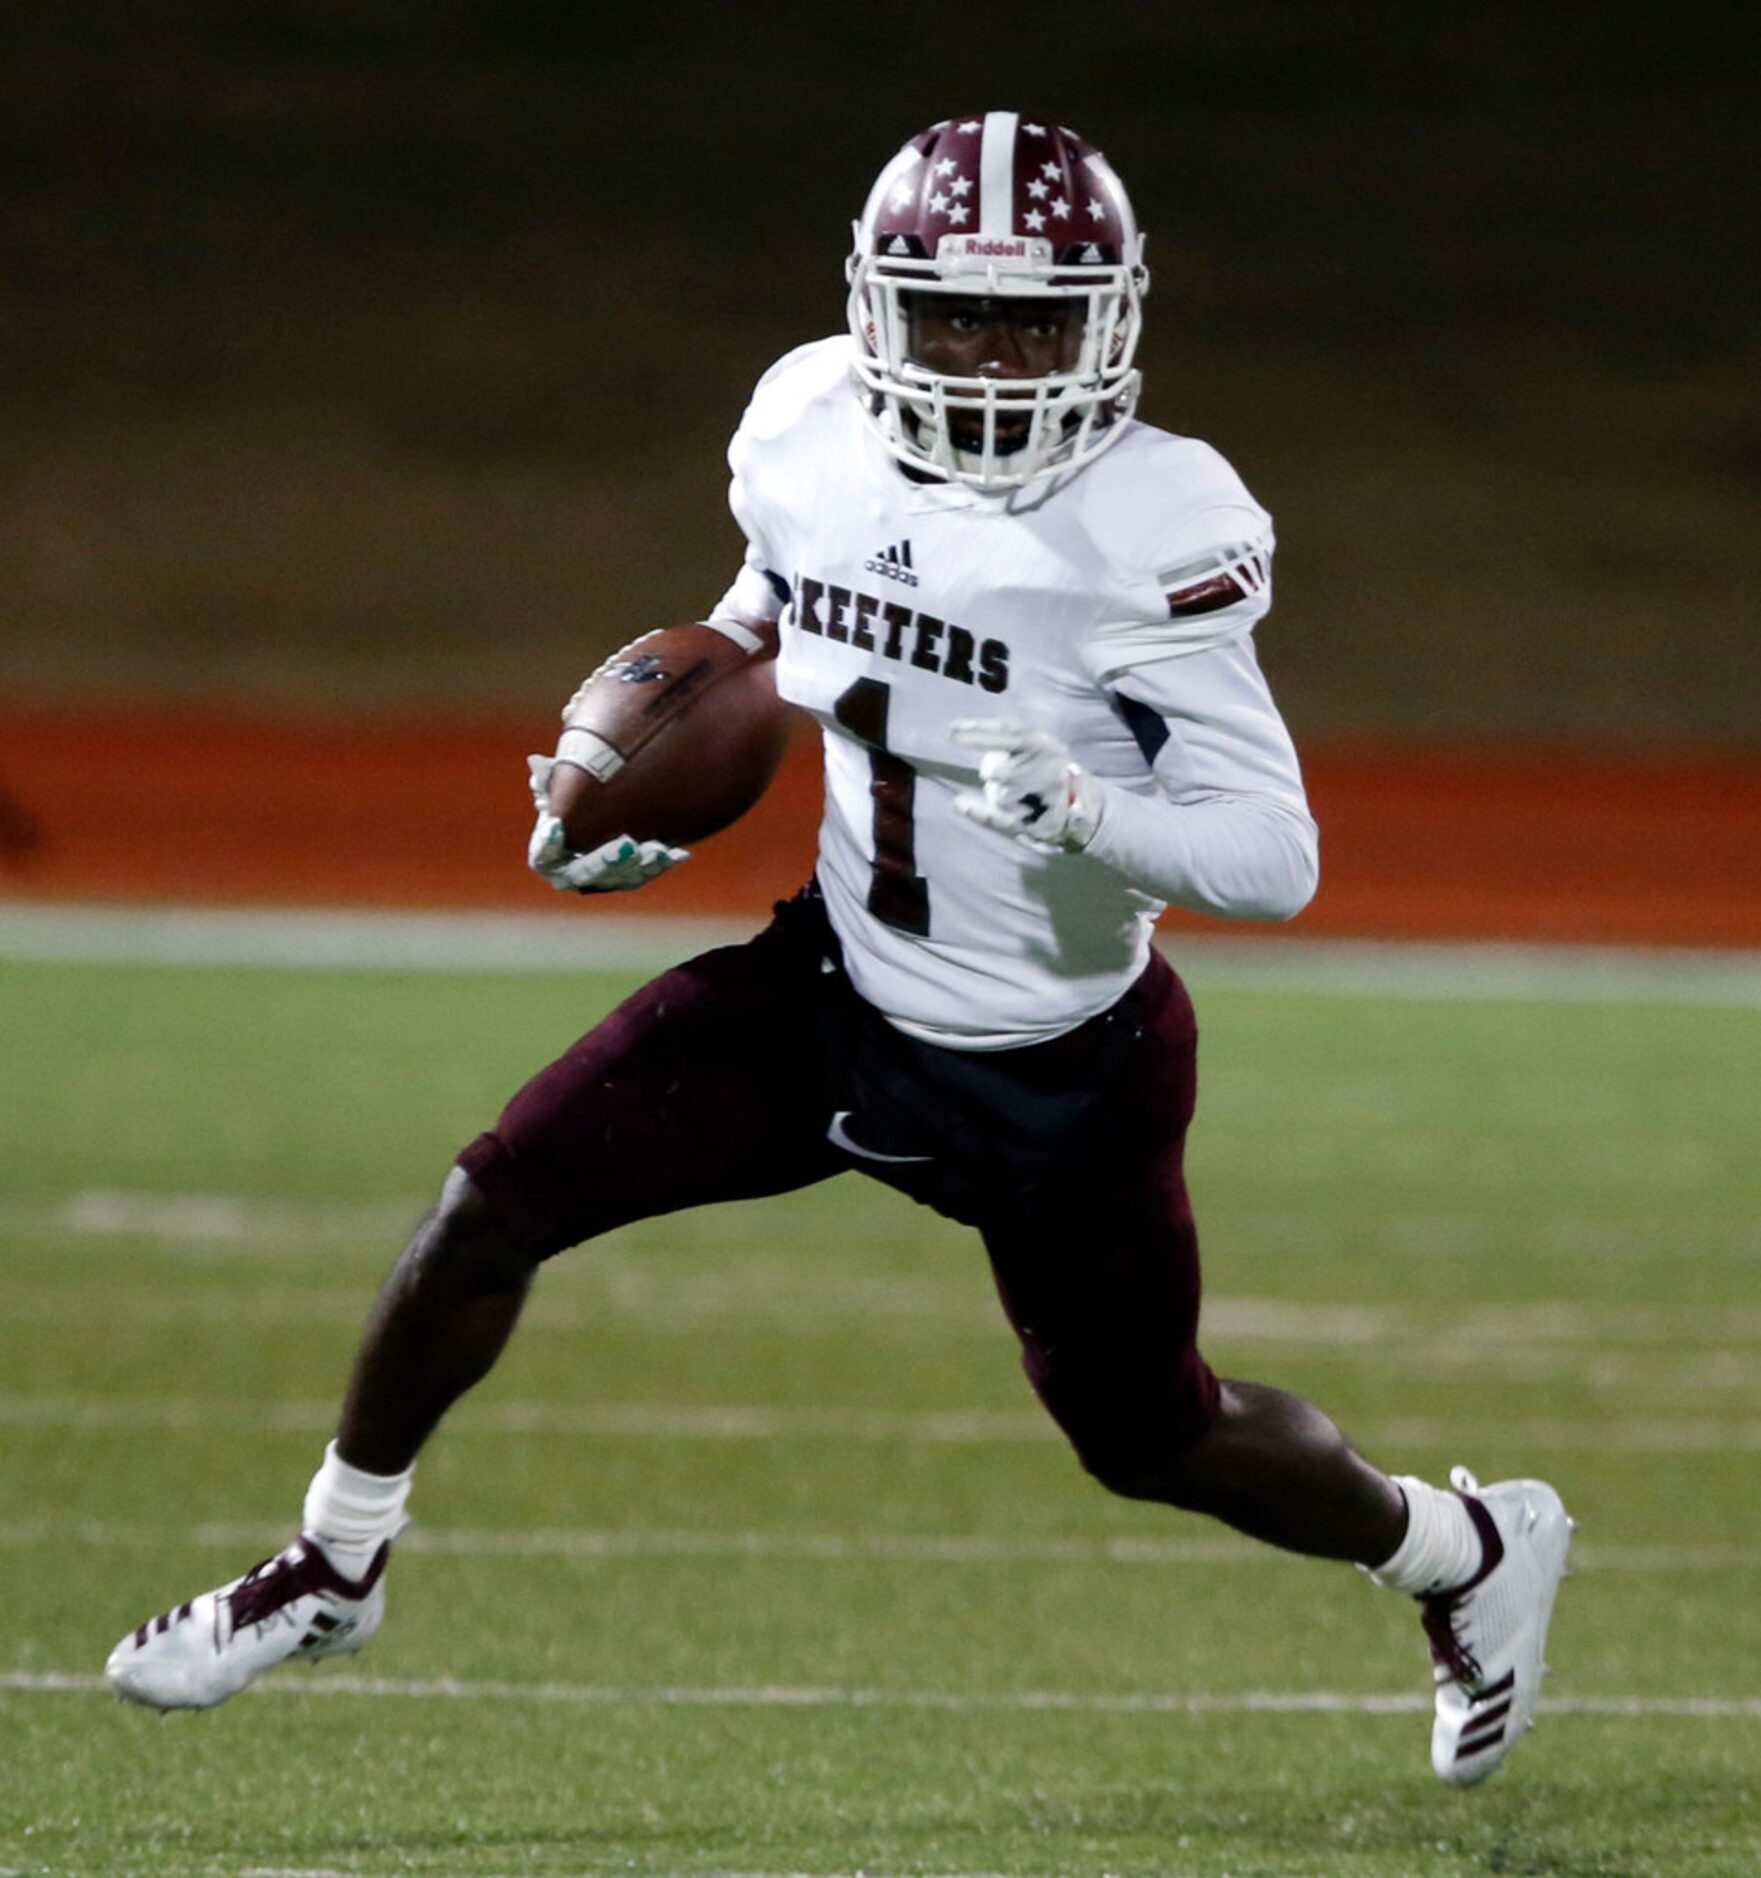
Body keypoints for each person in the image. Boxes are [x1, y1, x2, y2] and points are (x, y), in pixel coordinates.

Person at [106, 111, 1570, 1786]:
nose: (994, 355)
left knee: (1155, 1435)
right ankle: (334, 1561)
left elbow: (1277, 859)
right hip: (832, 991)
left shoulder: (1155, 521)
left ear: (1114, 318)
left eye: (1032, 317)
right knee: (487, 1206)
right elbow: (769, 605)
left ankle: (1460, 1548)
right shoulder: (810, 418)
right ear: (879, 307)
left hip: (1059, 1072)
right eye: (953, 312)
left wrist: (1088, 810)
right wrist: (640, 757)